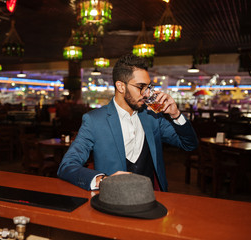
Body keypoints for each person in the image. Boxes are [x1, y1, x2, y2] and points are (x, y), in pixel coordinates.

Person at [57, 53, 199, 191]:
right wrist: (104, 181)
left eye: (148, 87)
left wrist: (176, 114)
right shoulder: (94, 120)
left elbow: (189, 145)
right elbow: (67, 166)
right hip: (114, 202)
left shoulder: (152, 117)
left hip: (151, 199)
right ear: (121, 86)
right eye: (140, 87)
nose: (147, 94)